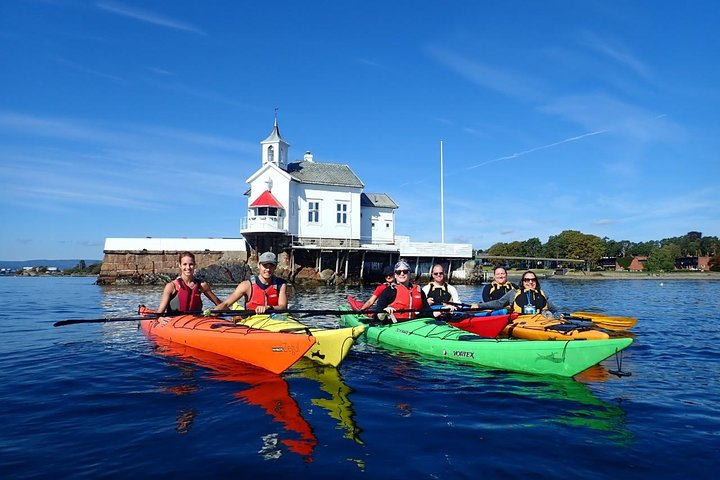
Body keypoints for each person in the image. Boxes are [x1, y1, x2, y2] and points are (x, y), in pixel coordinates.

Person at [214, 251, 288, 315]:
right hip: (252, 319)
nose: (268, 269)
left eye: (271, 266)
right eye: (265, 266)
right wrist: (213, 312)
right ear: (259, 265)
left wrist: (269, 307)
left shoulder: (281, 285)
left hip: (275, 317)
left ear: (275, 267)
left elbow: (282, 307)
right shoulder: (246, 285)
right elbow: (226, 304)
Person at [472, 270, 560, 318]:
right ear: (523, 281)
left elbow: (554, 309)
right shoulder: (514, 292)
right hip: (521, 321)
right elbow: (498, 303)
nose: (530, 282)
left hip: (540, 320)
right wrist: (479, 306)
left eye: (533, 280)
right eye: (527, 280)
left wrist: (560, 315)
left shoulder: (542, 293)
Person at [156, 251, 222, 314]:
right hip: (175, 322)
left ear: (195, 265)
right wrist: (160, 318)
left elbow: (220, 304)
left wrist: (215, 312)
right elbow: (160, 312)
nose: (188, 267)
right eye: (184, 264)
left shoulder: (202, 285)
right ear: (180, 265)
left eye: (191, 264)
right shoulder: (171, 286)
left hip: (195, 321)